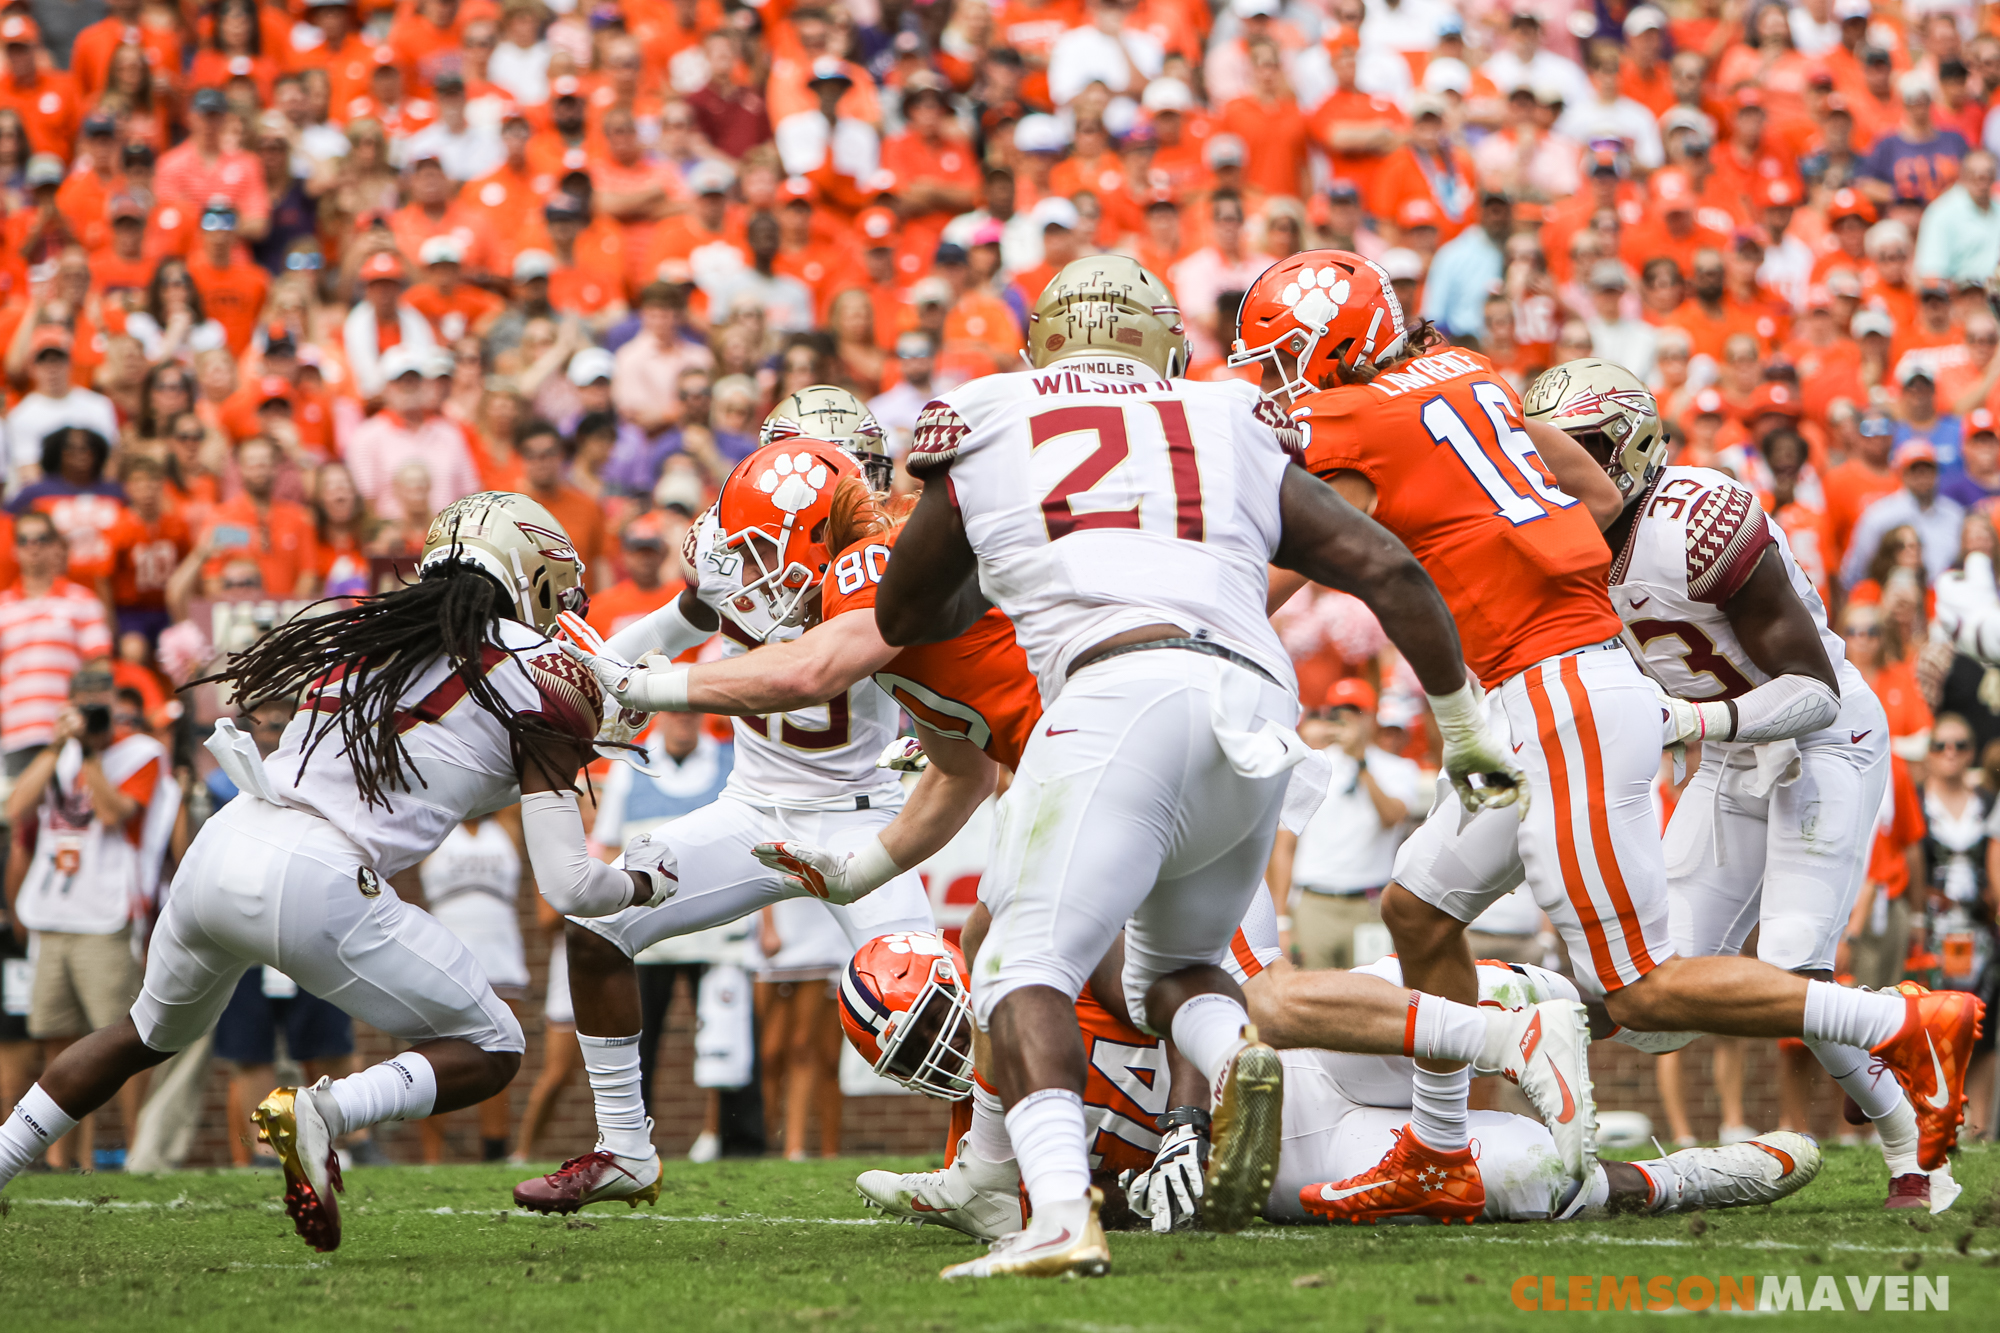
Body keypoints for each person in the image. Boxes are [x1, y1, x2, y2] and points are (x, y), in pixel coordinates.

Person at [1235, 250, 1982, 1224]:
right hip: (1567, 701)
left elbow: (1247, 455)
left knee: (1637, 990)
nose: (1279, 376)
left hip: (1637, 706)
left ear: (1344, 342)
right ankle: (1436, 1144)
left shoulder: (1365, 413)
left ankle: (1898, 1021)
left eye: (1288, 354)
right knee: (1418, 912)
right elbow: (1586, 507)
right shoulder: (1464, 370)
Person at [847, 253, 1518, 1277]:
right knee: (1175, 971)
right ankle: (1230, 1050)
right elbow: (1387, 565)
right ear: (1165, 339)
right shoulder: (1228, 413)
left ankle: (1057, 1216)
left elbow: (901, 615)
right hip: (1254, 698)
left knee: (1017, 966)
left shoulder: (985, 407)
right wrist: (1462, 727)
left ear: (1043, 344)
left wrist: (988, 568)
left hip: (1119, 690)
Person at [0, 494, 654, 1252]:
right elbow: (567, 867)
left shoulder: (373, 627)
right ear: (521, 568)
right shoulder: (530, 666)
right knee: (494, 1045)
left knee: (141, 1032)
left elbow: (537, 713)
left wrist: (654, 649)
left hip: (227, 840)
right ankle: (327, 1110)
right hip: (318, 872)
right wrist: (645, 883)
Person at [1526, 359, 1933, 1211]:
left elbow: (1813, 686)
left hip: (1826, 735)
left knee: (1791, 966)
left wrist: (1691, 724)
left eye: (1584, 452)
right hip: (1725, 754)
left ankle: (1912, 1149)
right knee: (1651, 1002)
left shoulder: (1697, 518)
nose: (1565, 475)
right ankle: (1889, 1024)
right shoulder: (1564, 549)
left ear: (1629, 446)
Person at [508, 437, 936, 1217]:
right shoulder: (735, 556)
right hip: (750, 808)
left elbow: (803, 672)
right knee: (595, 928)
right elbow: (672, 625)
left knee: (925, 1006)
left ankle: (989, 1168)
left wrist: (647, 685)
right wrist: (599, 680)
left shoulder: (886, 568)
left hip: (861, 818)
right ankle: (625, 1149)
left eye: (767, 536)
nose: (745, 557)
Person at [851, 924, 1823, 1235]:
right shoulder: (980, 1142)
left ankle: (1659, 1004)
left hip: (1285, 1063)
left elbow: (1190, 987)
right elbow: (1097, 1201)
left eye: (942, 1018)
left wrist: (1187, 1117)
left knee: (1467, 992)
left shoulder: (1061, 966)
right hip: (1281, 1158)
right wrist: (1143, 1194)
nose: (945, 1052)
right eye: (917, 1054)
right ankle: (1677, 1179)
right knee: (1530, 1179)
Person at [5, 672, 175, 1171]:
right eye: (86, 709)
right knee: (57, 1036)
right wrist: (58, 749)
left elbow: (110, 813)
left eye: (104, 710)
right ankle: (65, 1159)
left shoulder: (139, 752)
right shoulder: (59, 753)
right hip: (54, 915)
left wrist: (95, 754)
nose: (98, 720)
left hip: (106, 917)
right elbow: (17, 809)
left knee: (117, 1038)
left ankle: (139, 1150)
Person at [1265, 678, 1422, 971]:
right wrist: (1281, 919)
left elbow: (1392, 817)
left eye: (1354, 710)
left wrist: (1361, 763)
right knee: (1314, 1000)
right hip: (1315, 902)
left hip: (1369, 906)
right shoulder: (1311, 764)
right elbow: (1285, 845)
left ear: (1372, 717)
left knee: (1369, 997)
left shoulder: (1398, 768)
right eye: (1337, 711)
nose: (1345, 718)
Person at [417, 814, 530, 1163]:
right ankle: (432, 1159)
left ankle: (494, 1150)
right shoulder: (432, 823)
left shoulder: (507, 825)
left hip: (501, 954)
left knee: (500, 1051)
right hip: (445, 951)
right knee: (433, 1051)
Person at [5, 329, 119, 495]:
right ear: (32, 367)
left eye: (58, 360)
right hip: (47, 496)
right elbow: (29, 471)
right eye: (43, 361)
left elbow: (111, 460)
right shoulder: (20, 416)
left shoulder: (100, 405)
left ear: (70, 363)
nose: (51, 368)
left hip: (95, 492)